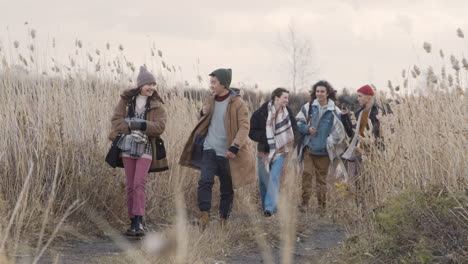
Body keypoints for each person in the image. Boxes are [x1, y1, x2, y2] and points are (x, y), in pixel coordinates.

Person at [179, 68, 255, 228]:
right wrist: (201, 112)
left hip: (227, 153)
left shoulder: (238, 103)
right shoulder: (210, 100)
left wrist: (234, 147)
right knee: (205, 181)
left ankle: (223, 220)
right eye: (211, 82)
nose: (211, 86)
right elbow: (202, 120)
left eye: (214, 82)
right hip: (209, 148)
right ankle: (204, 216)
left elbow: (244, 127)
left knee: (227, 188)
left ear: (223, 84)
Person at [108, 66, 168, 236]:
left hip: (146, 147)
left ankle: (140, 221)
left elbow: (160, 127)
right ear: (140, 85)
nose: (152, 87)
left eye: (154, 84)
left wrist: (142, 125)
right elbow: (116, 120)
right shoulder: (126, 101)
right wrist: (129, 127)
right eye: (149, 83)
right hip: (127, 146)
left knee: (139, 183)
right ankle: (132, 221)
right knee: (130, 185)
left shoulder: (158, 105)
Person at [296, 80, 346, 215]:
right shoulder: (308, 107)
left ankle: (322, 208)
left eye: (322, 91)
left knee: (321, 180)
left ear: (327, 93)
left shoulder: (334, 110)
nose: (319, 94)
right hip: (309, 148)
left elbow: (340, 132)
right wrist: (306, 128)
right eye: (317, 91)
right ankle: (304, 205)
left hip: (324, 151)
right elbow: (297, 122)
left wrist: (329, 141)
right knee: (306, 175)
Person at [249, 88, 299, 217]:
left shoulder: (288, 113)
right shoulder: (260, 113)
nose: (287, 100)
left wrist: (293, 142)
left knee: (274, 178)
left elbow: (294, 128)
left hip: (280, 151)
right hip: (263, 151)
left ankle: (269, 209)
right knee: (263, 180)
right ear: (276, 98)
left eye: (287, 98)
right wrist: (266, 138)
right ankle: (268, 207)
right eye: (285, 97)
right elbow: (252, 132)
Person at [341, 84, 381, 210]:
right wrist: (344, 117)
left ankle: (374, 207)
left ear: (369, 97)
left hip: (373, 152)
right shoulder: (359, 113)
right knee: (359, 180)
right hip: (359, 151)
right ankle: (361, 209)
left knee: (372, 181)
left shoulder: (378, 112)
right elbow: (351, 134)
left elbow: (382, 134)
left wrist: (379, 149)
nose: (358, 99)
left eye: (360, 96)